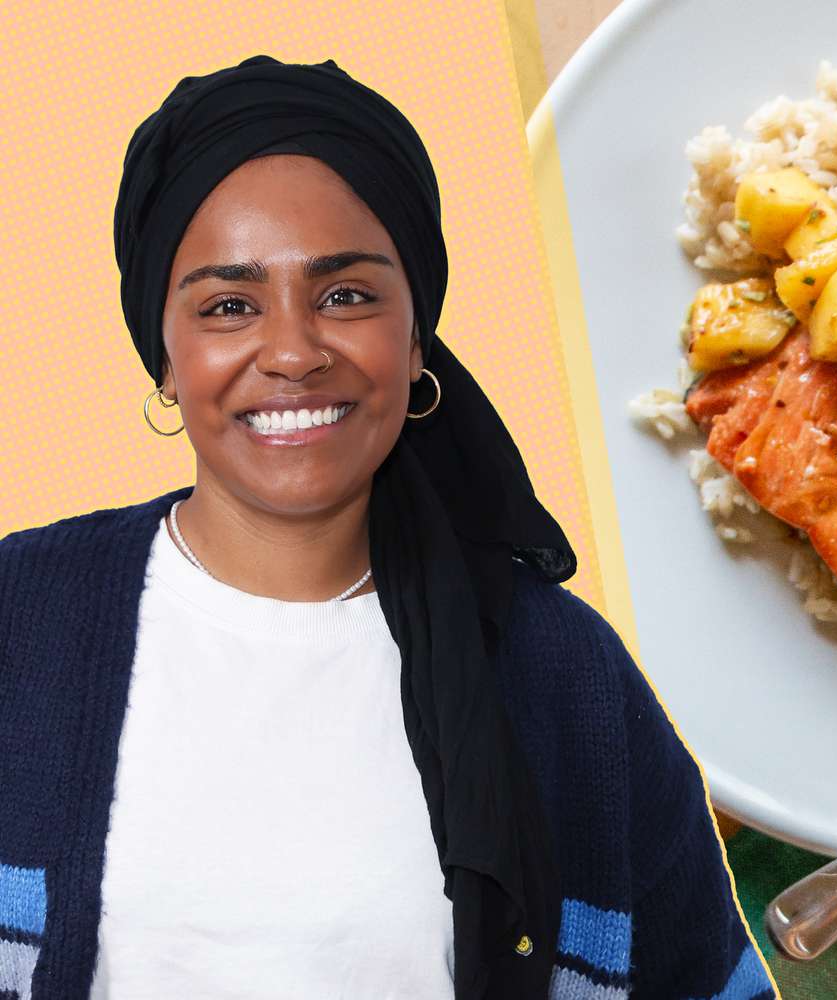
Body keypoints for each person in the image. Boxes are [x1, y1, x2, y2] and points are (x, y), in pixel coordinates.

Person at [0, 55, 776, 1000]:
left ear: (416, 344)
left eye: (346, 295)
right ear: (163, 354)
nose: (291, 350)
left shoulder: (565, 675)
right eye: (228, 305)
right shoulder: (19, 618)